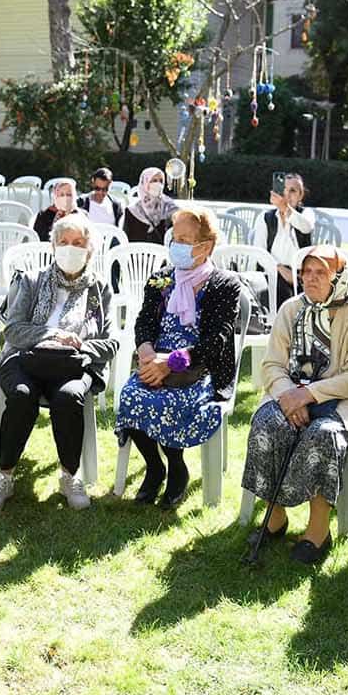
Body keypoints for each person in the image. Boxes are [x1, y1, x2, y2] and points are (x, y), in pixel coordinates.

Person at [241, 246, 348, 565]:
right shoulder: (291, 309)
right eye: (306, 272)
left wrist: (309, 394)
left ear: (339, 277)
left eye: (321, 273)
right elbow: (272, 364)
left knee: (322, 435)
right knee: (265, 425)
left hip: (344, 403)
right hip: (290, 395)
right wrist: (290, 395)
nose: (310, 279)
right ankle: (275, 518)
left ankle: (318, 531)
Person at [0, 213, 116, 512]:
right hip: (25, 359)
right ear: (54, 246)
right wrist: (52, 334)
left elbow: (110, 342)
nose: (71, 248)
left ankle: (70, 475)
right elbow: (12, 329)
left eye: (78, 243)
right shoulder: (32, 281)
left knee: (69, 397)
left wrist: (79, 344)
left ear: (90, 249)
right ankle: (4, 475)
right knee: (20, 395)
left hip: (72, 364)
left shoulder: (98, 289)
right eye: (64, 242)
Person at [115, 205, 243, 508]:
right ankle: (155, 466)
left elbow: (216, 341)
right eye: (175, 238)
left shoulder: (225, 284)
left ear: (206, 246)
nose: (177, 245)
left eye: (185, 240)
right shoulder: (161, 278)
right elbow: (144, 320)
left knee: (172, 401)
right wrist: (145, 350)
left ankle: (176, 467)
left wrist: (170, 363)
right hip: (155, 364)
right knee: (131, 395)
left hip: (201, 370)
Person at [251, 171, 316, 309]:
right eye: (284, 190)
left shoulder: (306, 215)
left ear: (300, 195)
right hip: (271, 272)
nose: (287, 194)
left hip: (300, 275)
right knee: (279, 290)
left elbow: (306, 227)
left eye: (293, 191)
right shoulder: (265, 218)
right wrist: (280, 269)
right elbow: (259, 252)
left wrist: (286, 209)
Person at [123, 167, 176, 244]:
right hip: (136, 254)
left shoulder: (169, 207)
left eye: (161, 181)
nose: (158, 184)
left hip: (162, 254)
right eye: (154, 181)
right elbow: (126, 240)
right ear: (145, 183)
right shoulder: (132, 210)